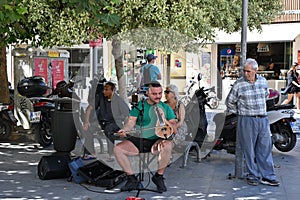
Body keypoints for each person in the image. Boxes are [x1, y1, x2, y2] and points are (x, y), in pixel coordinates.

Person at [225, 58, 280, 186]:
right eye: (244, 71)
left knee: (265, 148)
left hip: (262, 119)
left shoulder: (263, 81)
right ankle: (253, 175)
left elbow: (265, 95)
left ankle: (268, 176)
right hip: (247, 119)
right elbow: (229, 102)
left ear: (255, 71)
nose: (246, 74)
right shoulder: (239, 84)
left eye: (248, 71)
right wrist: (241, 112)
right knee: (249, 150)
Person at [114, 81, 177, 192]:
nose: (158, 96)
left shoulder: (166, 108)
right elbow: (131, 122)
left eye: (160, 93)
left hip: (156, 141)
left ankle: (158, 177)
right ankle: (132, 178)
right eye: (154, 94)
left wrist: (164, 120)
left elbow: (174, 128)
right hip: (139, 140)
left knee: (167, 145)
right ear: (147, 93)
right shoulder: (140, 106)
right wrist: (125, 130)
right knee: (118, 149)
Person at [83, 81, 129, 161]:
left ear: (113, 90)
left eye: (107, 89)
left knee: (109, 130)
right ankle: (91, 153)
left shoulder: (118, 100)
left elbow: (128, 115)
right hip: (102, 122)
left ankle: (111, 154)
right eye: (104, 89)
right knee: (89, 129)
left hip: (115, 123)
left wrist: (125, 129)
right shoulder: (100, 97)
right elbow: (89, 109)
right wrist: (86, 123)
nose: (104, 91)